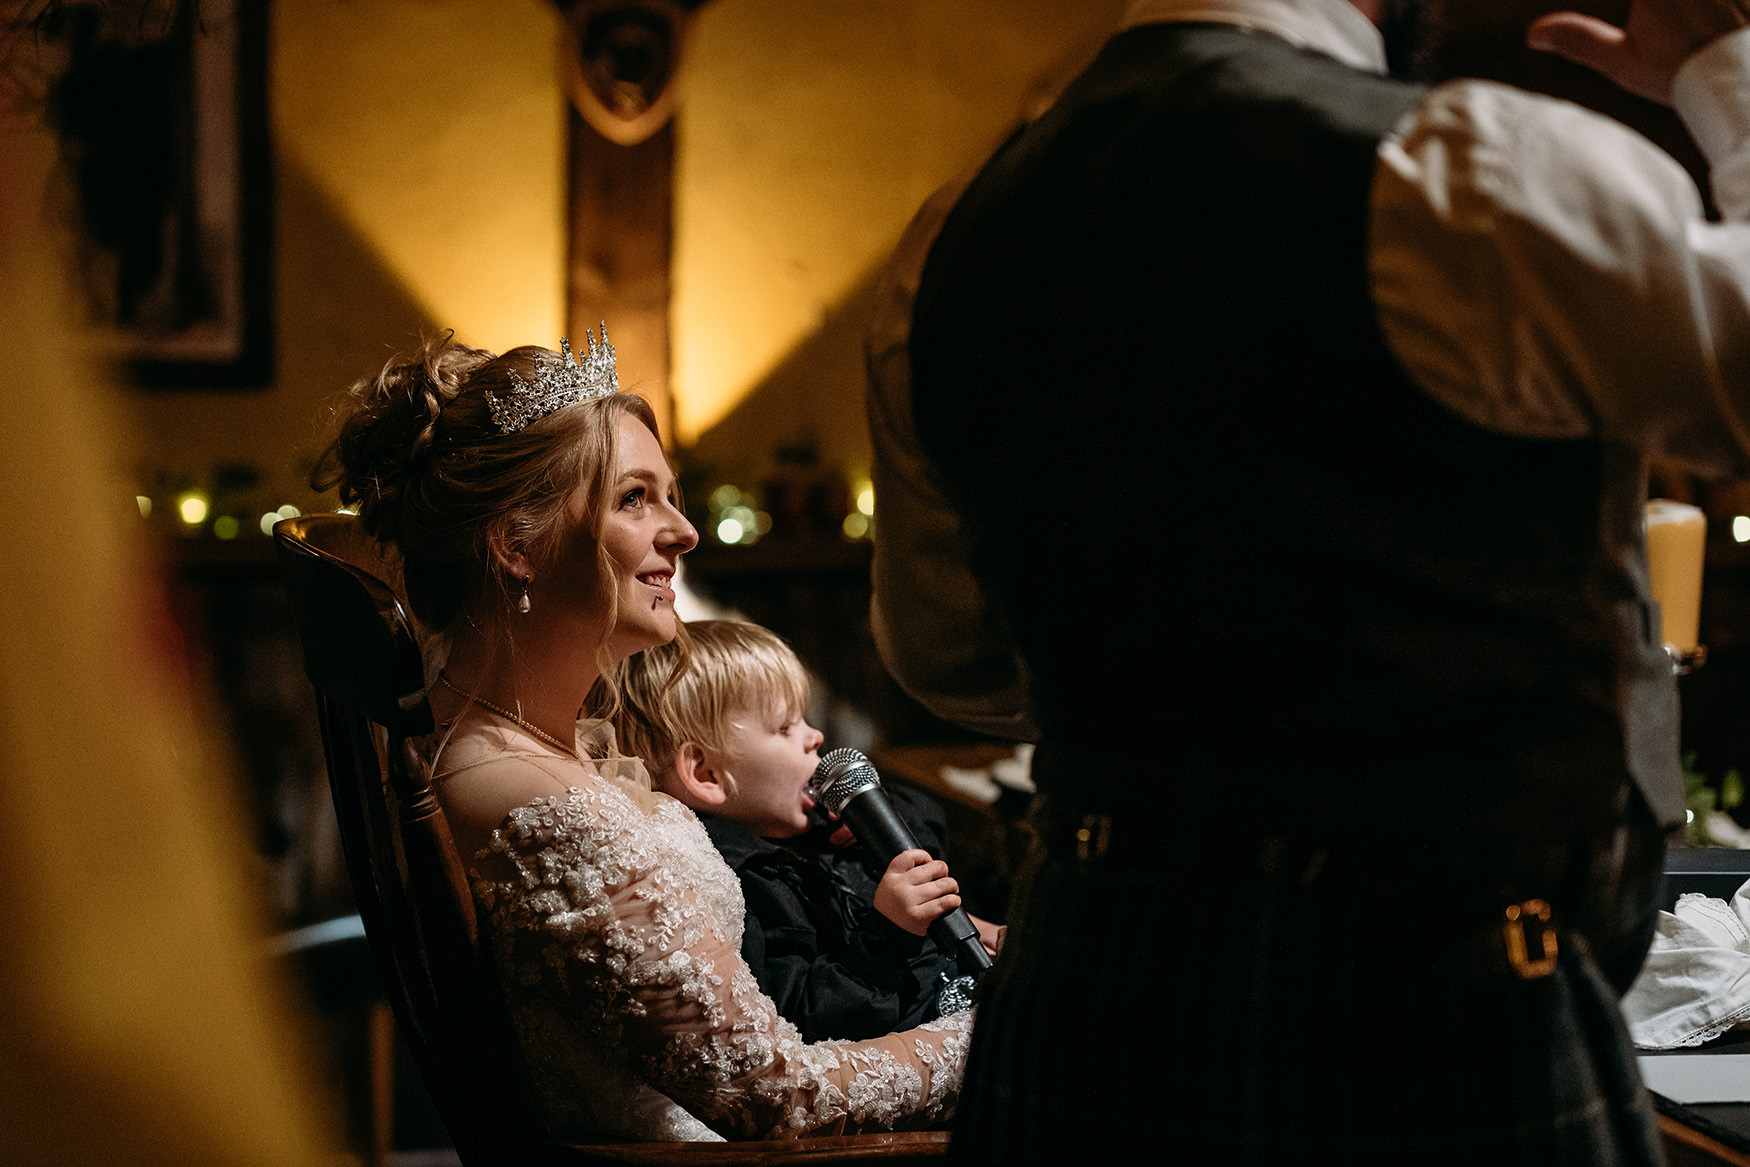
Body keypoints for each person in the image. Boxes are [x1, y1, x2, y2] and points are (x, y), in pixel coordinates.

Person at [875, 0, 1750, 1161]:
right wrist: (1722, 73)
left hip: (1091, 988)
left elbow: (950, 657)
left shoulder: (957, 231)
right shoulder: (1455, 168)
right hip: (1426, 1017)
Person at [315, 331, 969, 1143]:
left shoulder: (539, 745)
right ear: (516, 546)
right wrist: (1000, 1033)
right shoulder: (538, 806)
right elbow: (779, 1098)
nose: (684, 531)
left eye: (670, 494)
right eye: (634, 498)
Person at [599, 618, 999, 1043]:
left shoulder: (820, 831)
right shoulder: (745, 886)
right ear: (707, 773)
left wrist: (873, 816)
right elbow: (807, 1022)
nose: (815, 736)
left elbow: (927, 824)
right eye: (785, 727)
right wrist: (888, 933)